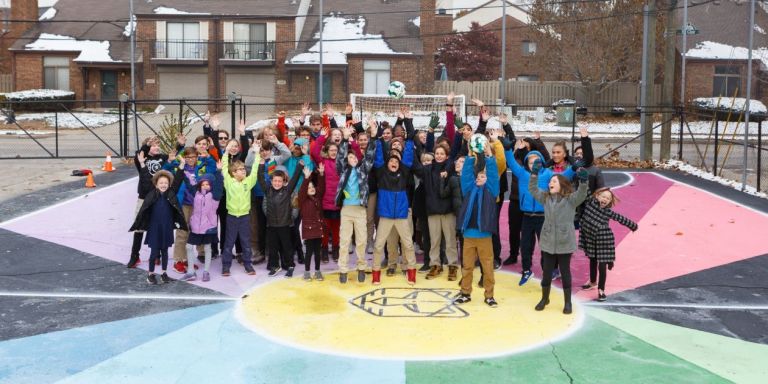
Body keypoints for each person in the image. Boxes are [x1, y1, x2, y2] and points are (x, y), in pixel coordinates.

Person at [528, 161, 589, 314]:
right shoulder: (546, 198)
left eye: (554, 181)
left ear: (562, 184)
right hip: (548, 240)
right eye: (550, 181)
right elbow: (533, 189)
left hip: (564, 241)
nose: (550, 183)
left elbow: (582, 194)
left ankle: (567, 302)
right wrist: (534, 174)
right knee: (547, 272)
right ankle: (544, 298)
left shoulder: (571, 199)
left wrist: (583, 181)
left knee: (565, 271)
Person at [453, 144, 500, 308]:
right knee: (467, 267)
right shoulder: (468, 189)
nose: (480, 178)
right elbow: (465, 175)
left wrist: (489, 157)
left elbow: (494, 176)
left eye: (484, 176)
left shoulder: (491, 190)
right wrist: (470, 155)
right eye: (478, 176)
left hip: (484, 236)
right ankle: (465, 293)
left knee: (487, 268)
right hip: (469, 236)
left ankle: (489, 295)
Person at [130, 152, 187, 285]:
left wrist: (182, 165)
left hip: (166, 228)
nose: (163, 185)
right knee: (154, 252)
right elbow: (144, 178)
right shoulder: (152, 193)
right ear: (156, 184)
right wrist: (142, 164)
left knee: (165, 252)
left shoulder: (171, 193)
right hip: (155, 228)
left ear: (169, 184)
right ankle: (150, 274)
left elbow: (178, 179)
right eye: (161, 183)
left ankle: (164, 273)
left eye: (166, 183)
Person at [335, 126, 378, 283]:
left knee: (361, 240)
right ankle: (343, 269)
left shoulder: (363, 170)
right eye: (350, 158)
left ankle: (361, 266)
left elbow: (371, 156)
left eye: (355, 158)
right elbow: (339, 157)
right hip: (346, 209)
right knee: (345, 241)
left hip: (360, 210)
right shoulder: (343, 170)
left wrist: (373, 137)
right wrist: (345, 139)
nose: (352, 160)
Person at [579, 187, 638, 301]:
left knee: (602, 266)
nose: (605, 199)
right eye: (603, 196)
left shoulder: (608, 212)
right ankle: (592, 282)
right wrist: (583, 179)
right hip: (591, 238)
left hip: (604, 240)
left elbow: (620, 218)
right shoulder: (590, 204)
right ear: (597, 196)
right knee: (592, 260)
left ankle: (601, 290)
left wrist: (633, 225)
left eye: (608, 198)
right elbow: (585, 191)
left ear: (610, 201)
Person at [127, 135, 177, 268]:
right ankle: (134, 255)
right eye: (153, 145)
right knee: (139, 227)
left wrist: (180, 145)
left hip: (158, 197)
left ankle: (157, 255)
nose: (157, 147)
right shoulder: (142, 159)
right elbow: (139, 153)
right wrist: (146, 145)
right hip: (144, 197)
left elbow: (173, 155)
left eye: (157, 145)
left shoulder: (162, 158)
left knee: (157, 225)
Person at [220, 138, 261, 277]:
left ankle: (248, 264)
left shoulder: (248, 182)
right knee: (229, 242)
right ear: (233, 173)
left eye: (244, 169)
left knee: (245, 242)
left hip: (244, 216)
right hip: (232, 217)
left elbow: (254, 171)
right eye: (240, 169)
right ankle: (226, 266)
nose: (243, 171)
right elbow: (224, 167)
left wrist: (257, 154)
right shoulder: (228, 182)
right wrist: (226, 152)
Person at [258, 160, 304, 277]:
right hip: (272, 225)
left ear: (283, 182)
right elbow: (260, 179)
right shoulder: (268, 191)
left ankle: (290, 266)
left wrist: (300, 166)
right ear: (272, 181)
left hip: (284, 225)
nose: (277, 183)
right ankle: (275, 266)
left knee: (286, 247)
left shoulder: (287, 191)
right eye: (275, 181)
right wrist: (261, 165)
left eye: (280, 181)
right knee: (273, 248)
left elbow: (294, 178)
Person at [180, 170, 224, 282]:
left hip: (208, 227)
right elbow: (189, 184)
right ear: (200, 185)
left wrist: (218, 172)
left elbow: (219, 184)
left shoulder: (215, 196)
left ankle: (206, 272)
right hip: (195, 226)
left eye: (207, 184)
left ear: (211, 185)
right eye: (203, 184)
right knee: (189, 246)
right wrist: (182, 170)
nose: (205, 186)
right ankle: (190, 272)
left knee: (207, 248)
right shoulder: (196, 193)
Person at [298, 164, 326, 281]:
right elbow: (303, 191)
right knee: (309, 252)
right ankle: (307, 271)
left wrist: (321, 175)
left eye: (312, 187)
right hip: (308, 229)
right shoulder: (303, 200)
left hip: (318, 229)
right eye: (309, 188)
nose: (312, 189)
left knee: (317, 251)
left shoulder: (318, 197)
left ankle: (318, 271)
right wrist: (306, 179)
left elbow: (322, 187)